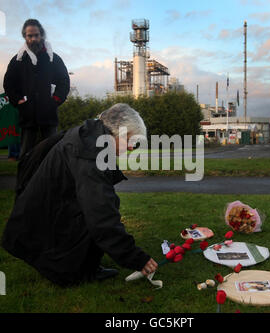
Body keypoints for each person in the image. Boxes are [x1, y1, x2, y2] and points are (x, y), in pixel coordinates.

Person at [1, 103, 158, 287]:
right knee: (96, 211)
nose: (132, 148)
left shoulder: (88, 135)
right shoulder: (90, 153)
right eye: (131, 141)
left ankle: (87, 267)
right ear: (119, 133)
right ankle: (68, 272)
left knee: (107, 202)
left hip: (48, 213)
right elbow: (101, 216)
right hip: (44, 224)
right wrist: (136, 258)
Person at [3, 19, 70, 159]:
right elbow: (9, 83)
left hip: (49, 113)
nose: (33, 39)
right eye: (29, 36)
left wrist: (55, 101)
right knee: (26, 154)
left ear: (42, 35)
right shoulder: (18, 60)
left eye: (36, 35)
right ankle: (24, 181)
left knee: (53, 153)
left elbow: (64, 80)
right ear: (25, 37)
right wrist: (19, 101)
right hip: (28, 115)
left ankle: (51, 180)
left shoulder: (53, 58)